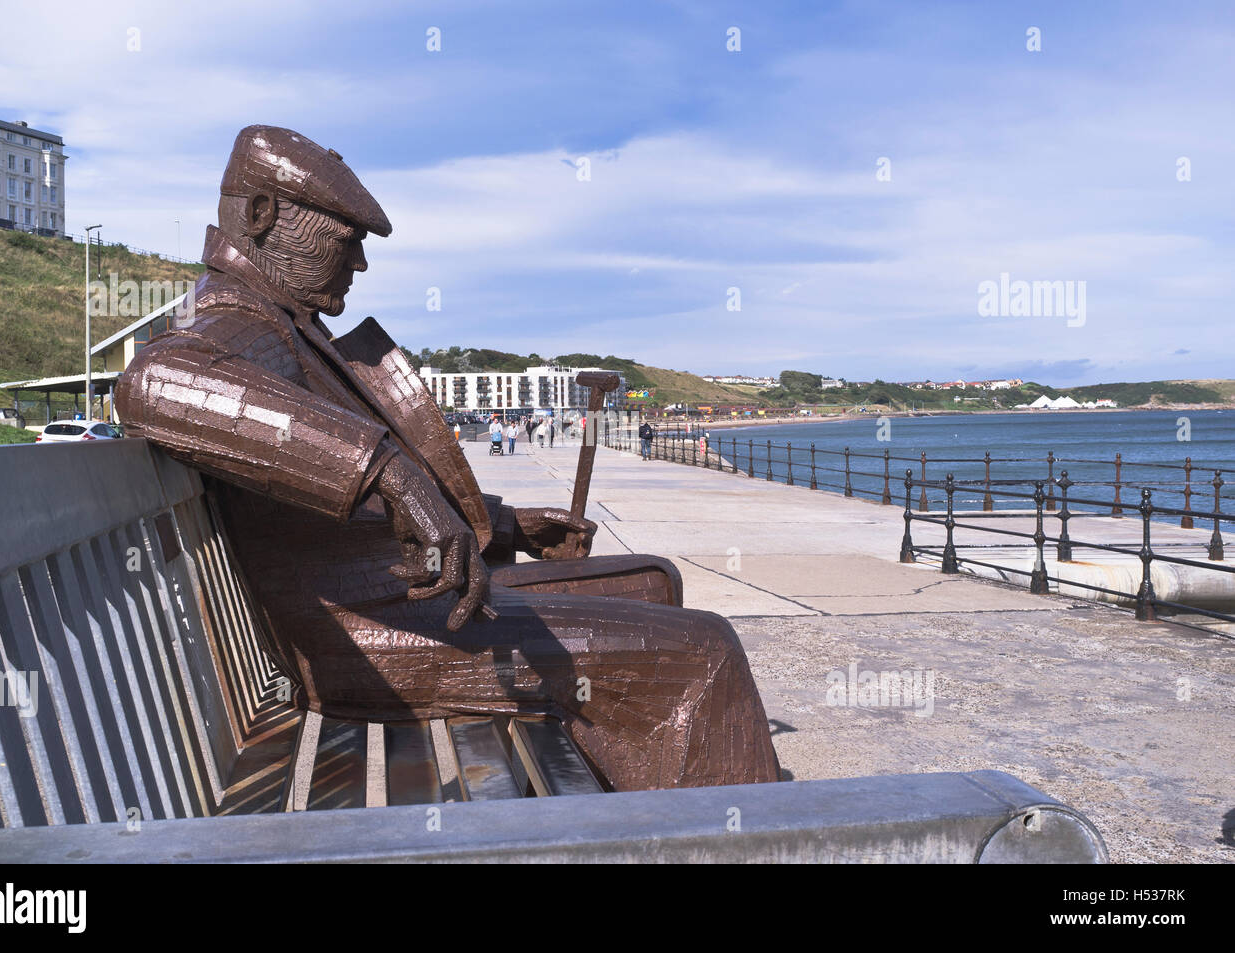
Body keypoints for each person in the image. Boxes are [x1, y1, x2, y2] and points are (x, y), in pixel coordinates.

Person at [115, 126, 779, 791]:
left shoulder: (284, 323)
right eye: (346, 241)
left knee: (649, 581)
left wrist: (509, 523)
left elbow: (361, 512)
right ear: (261, 216)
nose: (361, 264)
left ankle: (632, 821)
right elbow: (154, 383)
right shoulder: (238, 318)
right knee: (706, 653)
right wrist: (389, 468)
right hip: (369, 639)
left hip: (397, 602)